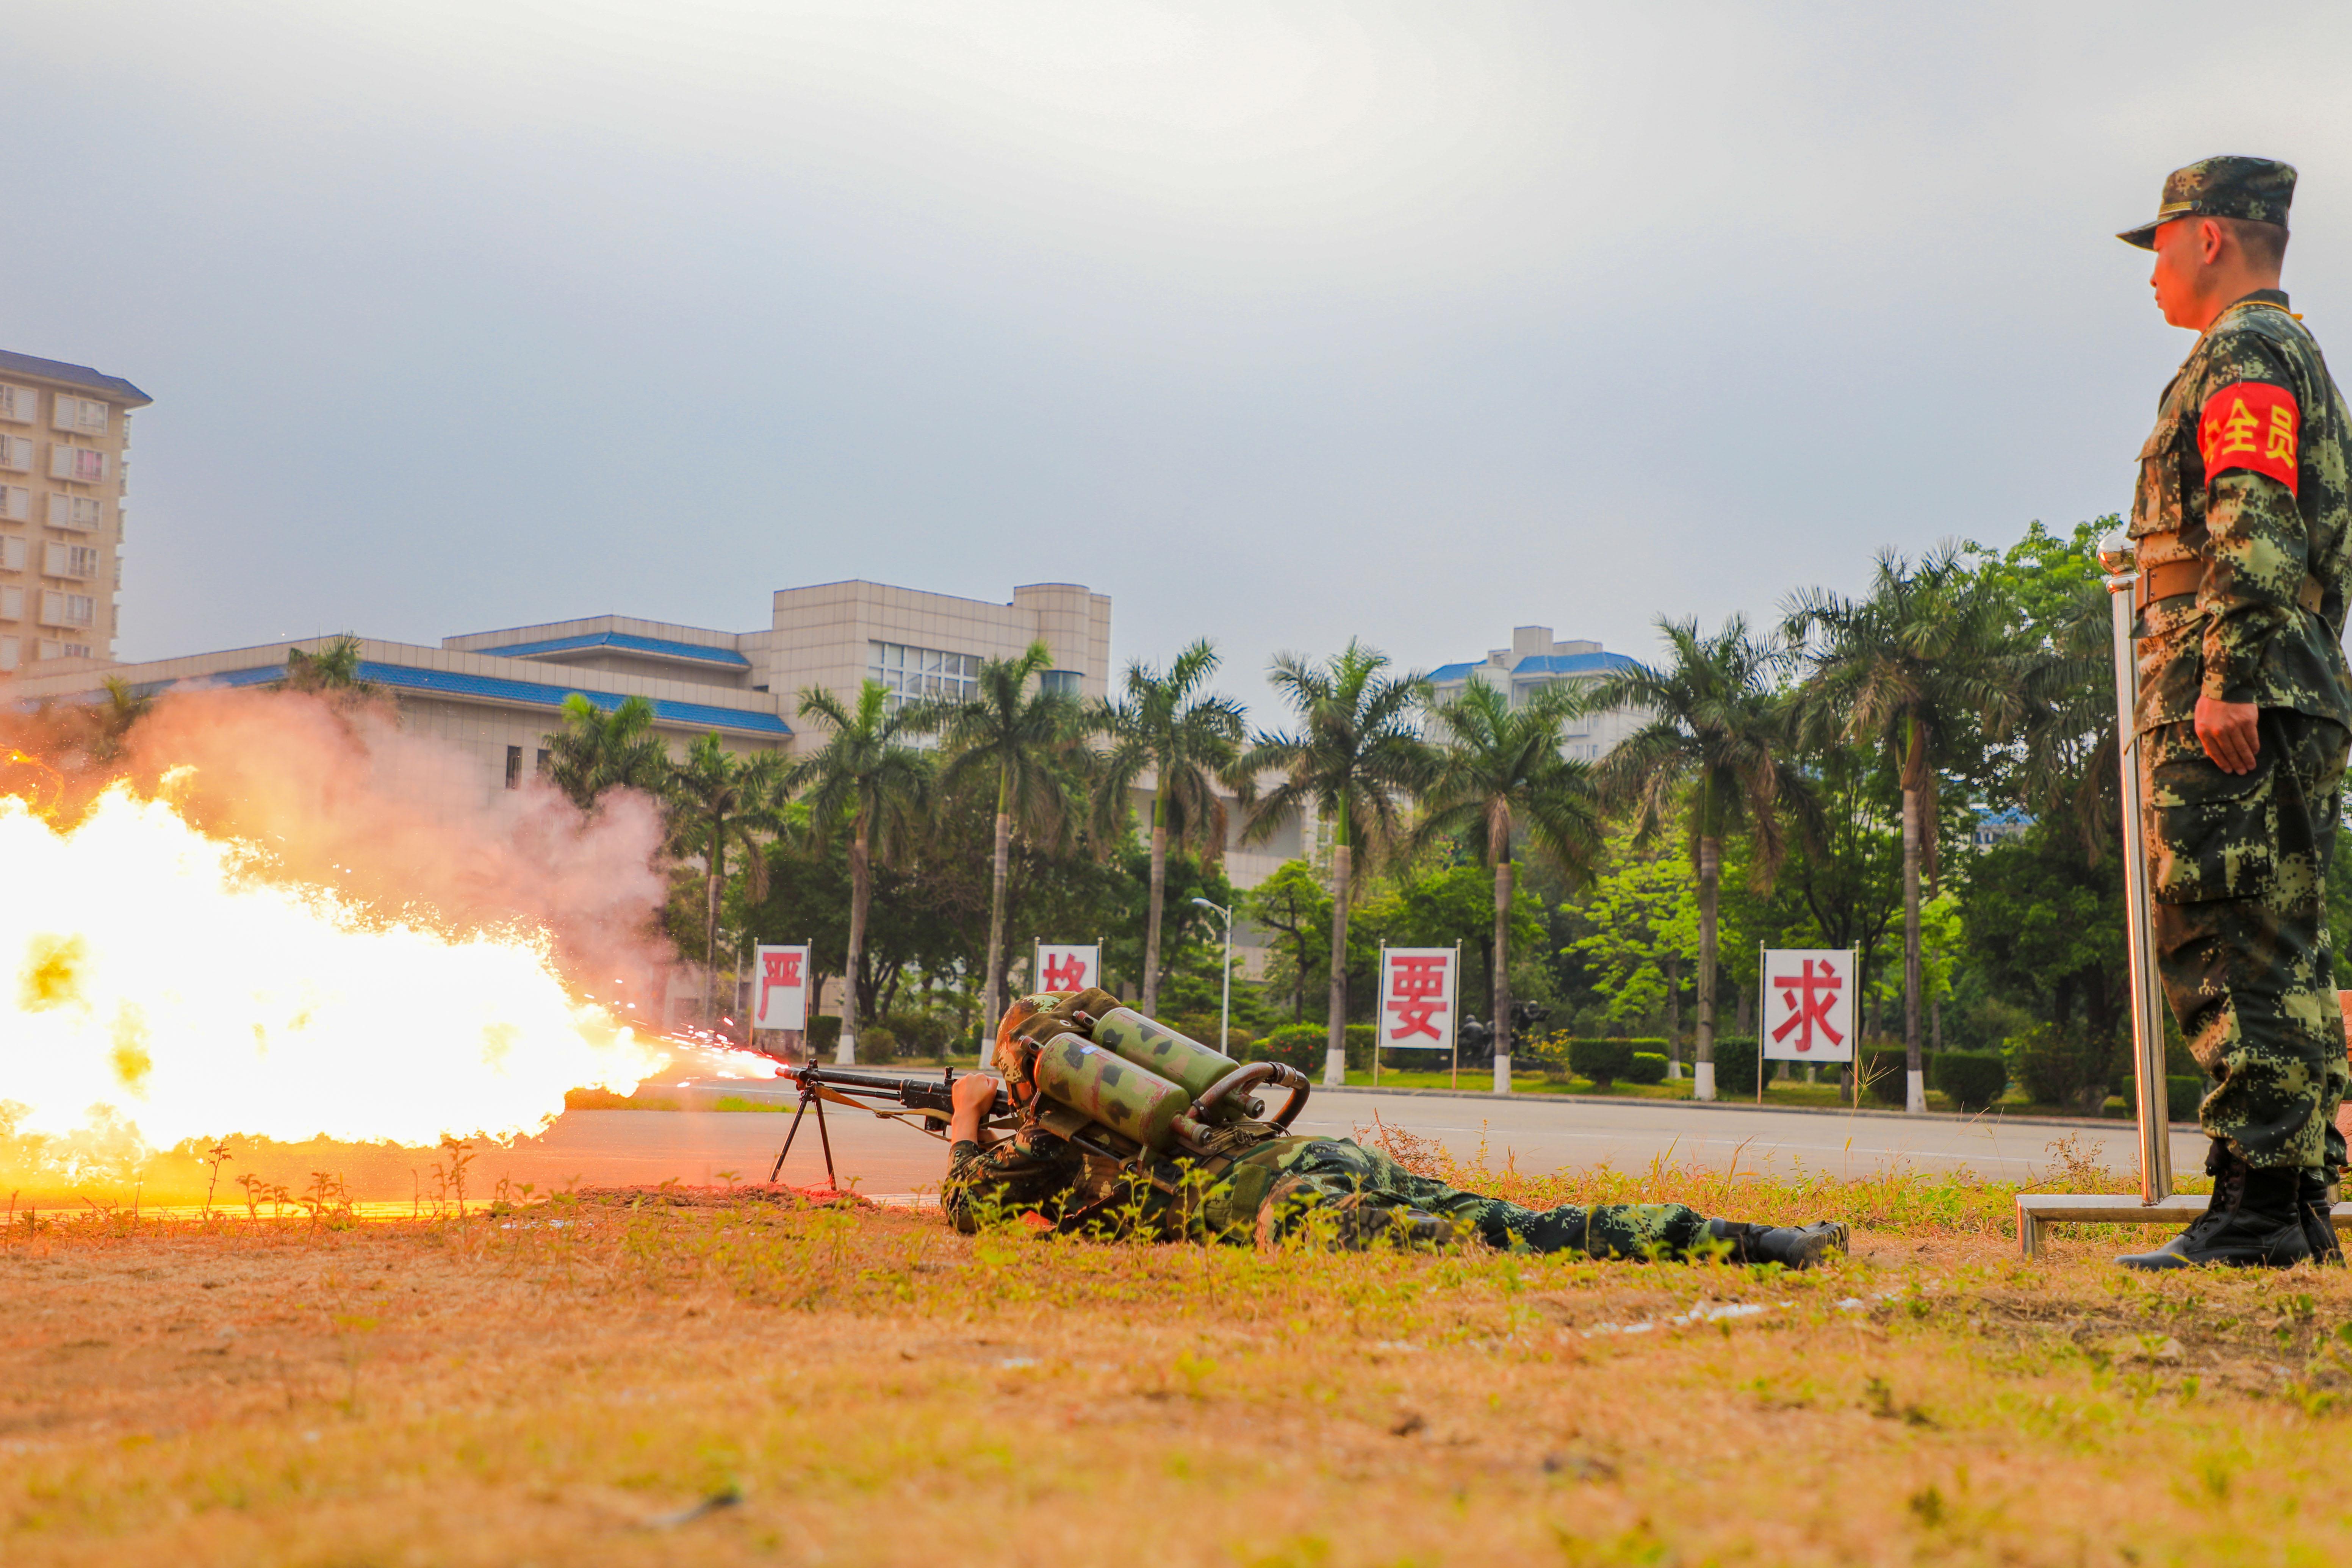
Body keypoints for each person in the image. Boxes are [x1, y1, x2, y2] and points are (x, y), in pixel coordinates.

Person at [2110, 157, 2352, 1270]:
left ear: (2208, 237)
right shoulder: (2291, 351)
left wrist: (2225, 677)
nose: (2152, 273)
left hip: (2236, 684)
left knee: (2223, 930)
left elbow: (2252, 520)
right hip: (2288, 675)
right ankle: (2289, 1194)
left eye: (2158, 245)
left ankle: (2257, 1204)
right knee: (2280, 937)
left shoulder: (2246, 353)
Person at [940, 989, 1848, 1267]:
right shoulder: (1140, 1110)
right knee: (1521, 1223)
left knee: (1472, 1245)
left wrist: (964, 1121)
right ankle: (1768, 1242)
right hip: (1314, 1154)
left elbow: (966, 1203)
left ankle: (1767, 1245)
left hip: (1286, 1199)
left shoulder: (1053, 1140)